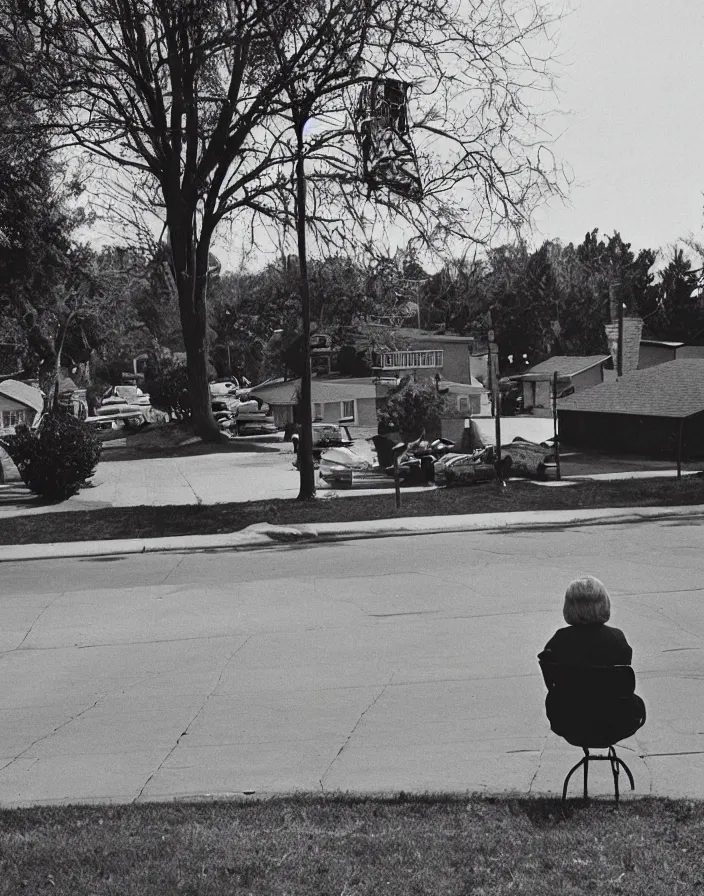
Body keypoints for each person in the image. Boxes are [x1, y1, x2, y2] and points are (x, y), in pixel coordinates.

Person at [538, 576, 645, 744]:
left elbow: (552, 683)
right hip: (616, 722)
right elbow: (624, 685)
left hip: (568, 722)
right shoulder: (616, 638)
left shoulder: (559, 640)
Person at [539, 576, 633, 667]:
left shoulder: (559, 639)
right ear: (604, 603)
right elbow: (625, 664)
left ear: (569, 607)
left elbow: (547, 662)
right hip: (606, 683)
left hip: (572, 683)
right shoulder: (615, 638)